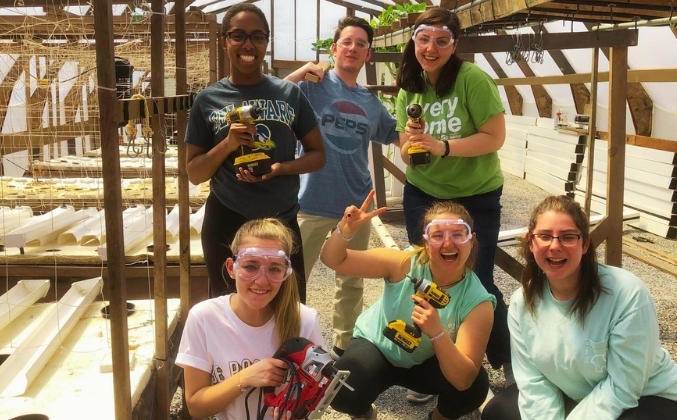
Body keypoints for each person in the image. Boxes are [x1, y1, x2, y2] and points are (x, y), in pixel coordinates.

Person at [481, 195, 677, 420]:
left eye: (568, 237)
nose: (555, 246)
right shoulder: (521, 303)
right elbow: (534, 381)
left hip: (648, 399)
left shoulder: (626, 293)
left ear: (585, 244)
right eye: (544, 236)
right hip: (579, 394)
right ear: (531, 242)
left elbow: (623, 386)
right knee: (498, 412)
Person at [394, 7, 511, 381]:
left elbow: (495, 138)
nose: (431, 48)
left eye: (441, 41)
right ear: (413, 41)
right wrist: (413, 146)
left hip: (475, 195)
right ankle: (433, 365)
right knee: (429, 279)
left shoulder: (471, 79)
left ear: (454, 44)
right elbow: (403, 148)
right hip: (424, 195)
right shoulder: (409, 86)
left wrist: (442, 145)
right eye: (424, 39)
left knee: (478, 280)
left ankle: (506, 359)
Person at [184, 3, 326, 303]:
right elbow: (195, 172)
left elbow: (318, 155)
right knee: (228, 308)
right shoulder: (208, 100)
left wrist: (281, 169)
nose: (248, 44)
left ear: (266, 43)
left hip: (281, 218)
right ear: (225, 41)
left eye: (257, 37)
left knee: (289, 308)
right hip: (227, 217)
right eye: (238, 35)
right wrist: (228, 144)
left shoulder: (289, 94)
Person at [321, 191, 496, 420]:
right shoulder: (403, 263)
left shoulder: (478, 301)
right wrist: (345, 231)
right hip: (378, 346)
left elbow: (463, 379)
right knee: (342, 389)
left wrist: (437, 333)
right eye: (437, 235)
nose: (448, 243)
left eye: (458, 234)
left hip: (426, 359)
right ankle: (364, 413)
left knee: (475, 387)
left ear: (471, 241)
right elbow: (333, 260)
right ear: (425, 241)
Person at [283, 16, 399, 359]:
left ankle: (343, 348)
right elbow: (272, 99)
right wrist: (299, 72)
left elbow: (398, 135)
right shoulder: (310, 87)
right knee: (292, 278)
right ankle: (289, 342)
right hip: (311, 200)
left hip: (355, 207)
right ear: (334, 49)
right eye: (346, 42)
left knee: (350, 282)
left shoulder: (371, 104)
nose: (353, 48)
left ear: (368, 56)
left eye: (360, 44)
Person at [176, 218, 326, 420]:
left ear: (286, 272)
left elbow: (318, 394)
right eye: (250, 266)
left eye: (274, 269)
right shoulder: (204, 318)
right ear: (231, 268)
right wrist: (244, 378)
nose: (262, 280)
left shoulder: (305, 320)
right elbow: (196, 406)